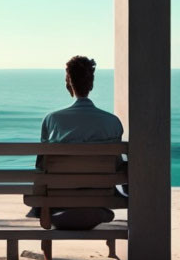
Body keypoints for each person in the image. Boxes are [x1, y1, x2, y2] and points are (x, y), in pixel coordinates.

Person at [31, 55, 124, 230]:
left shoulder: (52, 120)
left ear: (69, 83)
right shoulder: (113, 122)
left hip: (58, 207)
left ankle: (43, 217)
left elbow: (42, 166)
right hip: (98, 208)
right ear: (91, 84)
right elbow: (117, 166)